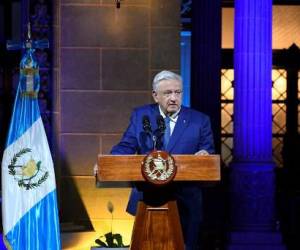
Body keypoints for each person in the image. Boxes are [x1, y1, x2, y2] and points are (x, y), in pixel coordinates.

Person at [111, 70, 215, 250]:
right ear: (155, 95)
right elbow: (126, 145)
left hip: (186, 199)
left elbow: (208, 151)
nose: (174, 98)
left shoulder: (199, 120)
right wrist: (109, 162)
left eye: (178, 92)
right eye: (168, 93)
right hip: (148, 195)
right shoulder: (141, 116)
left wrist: (204, 155)